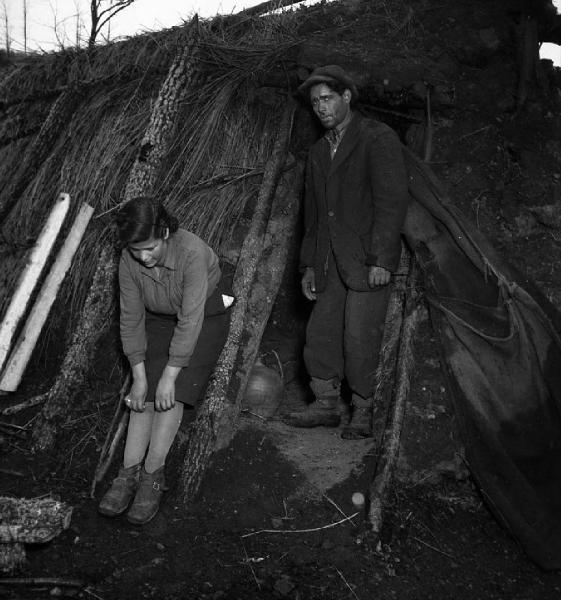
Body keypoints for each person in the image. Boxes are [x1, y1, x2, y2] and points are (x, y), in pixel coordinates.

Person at [287, 65, 409, 438]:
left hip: (365, 261)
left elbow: (391, 202)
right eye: (314, 103)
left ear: (346, 97)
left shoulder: (377, 138)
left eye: (327, 99)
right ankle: (325, 404)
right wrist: (308, 265)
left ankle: (364, 408)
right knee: (321, 333)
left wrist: (382, 259)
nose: (321, 108)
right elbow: (314, 215)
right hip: (328, 260)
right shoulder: (318, 152)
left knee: (360, 337)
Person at [98, 197, 232, 524]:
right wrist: (139, 375)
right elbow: (130, 319)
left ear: (165, 231)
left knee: (170, 394)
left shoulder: (192, 253)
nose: (143, 257)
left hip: (204, 316)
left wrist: (170, 375)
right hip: (157, 317)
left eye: (150, 248)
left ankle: (152, 475)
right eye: (135, 250)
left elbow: (190, 319)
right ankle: (127, 472)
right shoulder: (129, 259)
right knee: (143, 394)